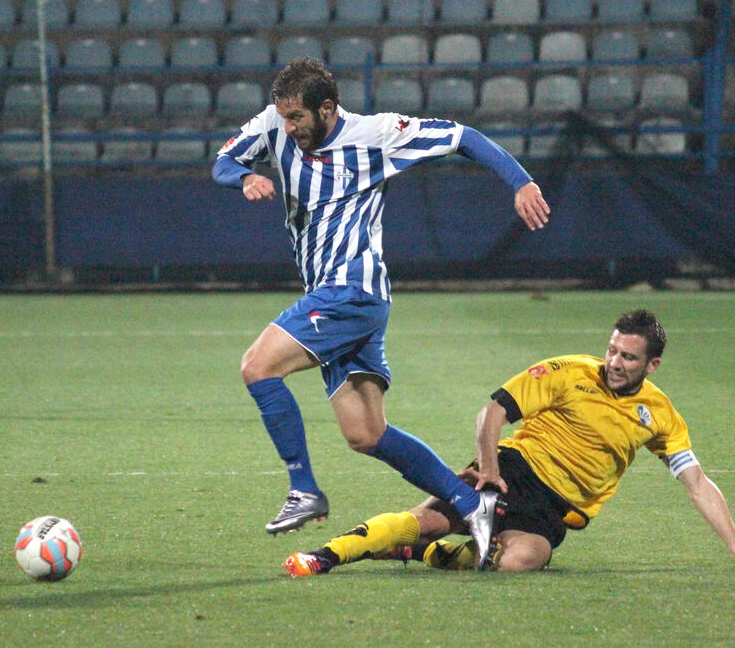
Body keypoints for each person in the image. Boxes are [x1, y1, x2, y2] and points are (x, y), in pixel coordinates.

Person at [212, 57, 551, 544]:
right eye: (283, 117)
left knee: (257, 367)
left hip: (352, 290)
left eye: (297, 118)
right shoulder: (274, 124)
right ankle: (472, 504)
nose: (287, 127)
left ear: (326, 108)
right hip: (338, 297)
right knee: (366, 435)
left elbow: (464, 137)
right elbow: (223, 161)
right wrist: (244, 177)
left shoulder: (378, 134)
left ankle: (303, 488)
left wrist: (521, 181)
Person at [283, 309, 735, 576]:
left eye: (628, 357)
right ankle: (326, 556)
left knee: (523, 560)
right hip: (515, 471)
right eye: (612, 350)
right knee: (428, 519)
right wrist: (490, 466)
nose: (615, 362)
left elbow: (697, 483)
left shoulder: (659, 414)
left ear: (652, 365)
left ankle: (431, 556)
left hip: (556, 509)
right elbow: (492, 411)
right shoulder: (568, 372)